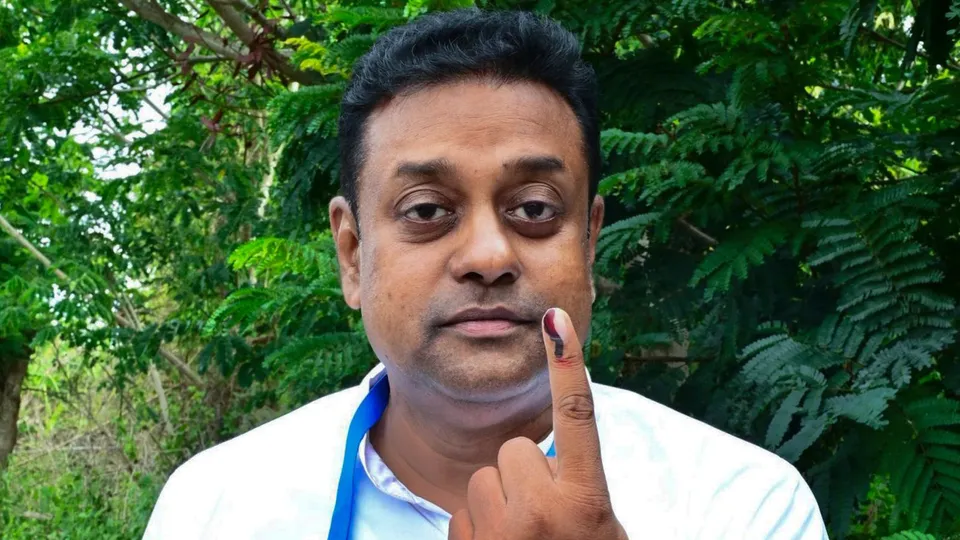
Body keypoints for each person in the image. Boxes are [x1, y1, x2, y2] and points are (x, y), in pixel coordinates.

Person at [144, 9, 828, 540]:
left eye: (534, 209)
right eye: (427, 210)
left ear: (589, 244)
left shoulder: (742, 506)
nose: (489, 257)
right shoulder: (216, 507)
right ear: (352, 254)